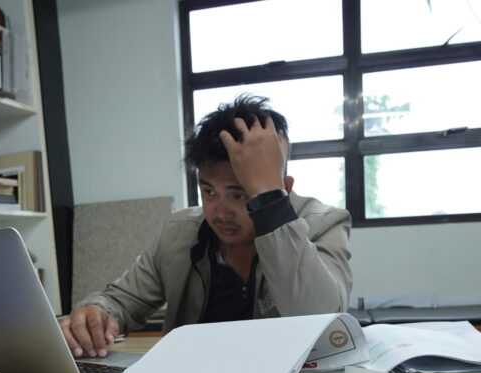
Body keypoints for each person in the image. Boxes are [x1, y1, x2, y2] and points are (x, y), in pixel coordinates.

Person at [60, 94, 353, 357]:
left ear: (282, 189)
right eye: (209, 191)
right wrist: (97, 313)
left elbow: (322, 326)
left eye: (240, 194)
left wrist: (269, 202)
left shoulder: (324, 223)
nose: (220, 212)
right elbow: (122, 300)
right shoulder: (181, 230)